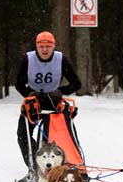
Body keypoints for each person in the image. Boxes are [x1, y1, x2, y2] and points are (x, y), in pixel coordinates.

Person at [15, 31, 81, 168]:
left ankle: (66, 162)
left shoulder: (61, 59)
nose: (45, 49)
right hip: (34, 101)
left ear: (53, 46)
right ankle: (35, 164)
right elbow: (19, 84)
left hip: (54, 100)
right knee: (22, 133)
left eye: (48, 46)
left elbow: (76, 83)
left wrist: (61, 91)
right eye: (41, 46)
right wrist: (29, 94)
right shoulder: (28, 59)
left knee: (57, 134)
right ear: (37, 47)